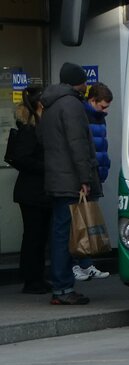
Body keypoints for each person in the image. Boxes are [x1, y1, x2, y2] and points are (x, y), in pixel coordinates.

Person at [38, 62, 101, 306]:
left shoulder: (49, 105)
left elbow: (42, 139)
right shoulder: (72, 104)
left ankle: (60, 286)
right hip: (71, 180)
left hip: (56, 177)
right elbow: (78, 144)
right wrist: (84, 178)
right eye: (84, 81)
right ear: (78, 81)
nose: (87, 85)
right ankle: (63, 288)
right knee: (67, 236)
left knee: (60, 232)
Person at [5, 86, 52, 294]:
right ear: (40, 104)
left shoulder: (35, 126)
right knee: (35, 236)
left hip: (34, 190)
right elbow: (24, 159)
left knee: (37, 236)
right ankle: (32, 280)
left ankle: (35, 278)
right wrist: (47, 167)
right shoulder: (29, 129)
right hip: (33, 191)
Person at [73, 83, 114, 282]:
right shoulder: (85, 116)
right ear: (92, 100)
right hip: (88, 175)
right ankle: (78, 263)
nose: (105, 110)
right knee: (80, 223)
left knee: (86, 223)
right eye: (103, 106)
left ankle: (85, 264)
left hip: (94, 174)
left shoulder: (97, 117)